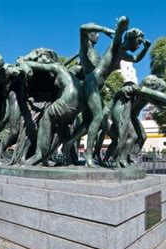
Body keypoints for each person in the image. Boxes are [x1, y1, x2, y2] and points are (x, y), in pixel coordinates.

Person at [65, 17, 151, 167]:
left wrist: (146, 47)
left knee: (92, 121)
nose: (138, 46)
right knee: (98, 116)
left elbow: (136, 59)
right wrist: (118, 27)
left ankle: (68, 143)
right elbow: (115, 31)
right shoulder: (116, 46)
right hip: (91, 83)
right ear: (131, 38)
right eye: (138, 43)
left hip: (95, 87)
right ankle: (88, 155)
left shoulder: (123, 53)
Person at [18, 59, 82, 166]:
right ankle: (52, 155)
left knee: (45, 118)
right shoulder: (72, 75)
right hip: (78, 103)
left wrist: (23, 62)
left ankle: (39, 154)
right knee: (61, 127)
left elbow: (36, 64)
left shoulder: (57, 68)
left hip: (68, 99)